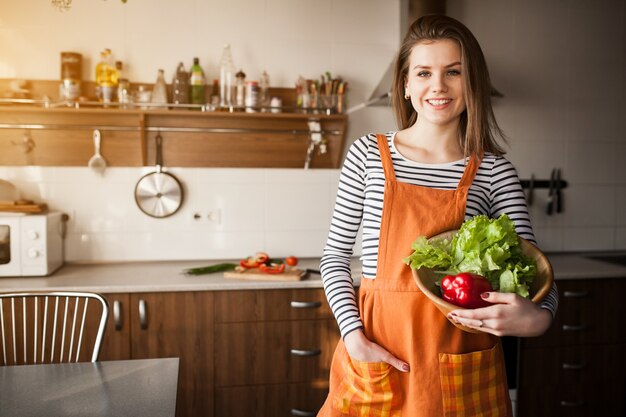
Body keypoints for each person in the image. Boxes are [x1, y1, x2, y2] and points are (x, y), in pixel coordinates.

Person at [317, 14, 558, 417]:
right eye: (424, 72)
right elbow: (335, 257)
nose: (438, 86)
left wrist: (539, 318)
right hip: (378, 355)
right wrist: (353, 336)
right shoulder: (366, 154)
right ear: (406, 85)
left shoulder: (494, 171)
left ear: (472, 83)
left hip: (462, 361)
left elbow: (537, 273)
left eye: (454, 72)